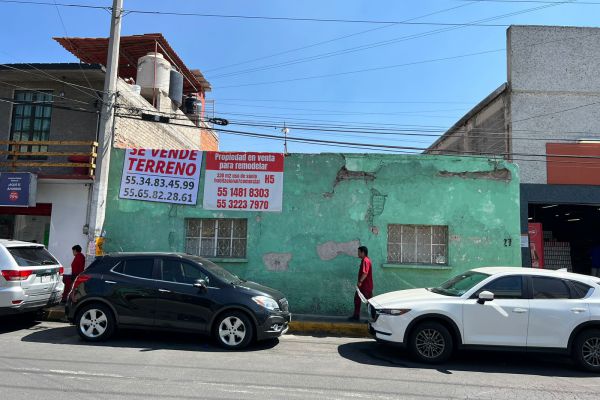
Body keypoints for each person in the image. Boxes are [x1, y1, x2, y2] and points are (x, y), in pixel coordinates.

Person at [349, 246, 373, 321]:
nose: (358, 254)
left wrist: (360, 281)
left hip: (365, 286)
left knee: (368, 302)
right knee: (357, 299)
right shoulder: (365, 260)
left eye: (359, 252)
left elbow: (365, 273)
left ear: (363, 252)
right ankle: (356, 315)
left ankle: (373, 318)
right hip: (363, 286)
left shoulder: (366, 260)